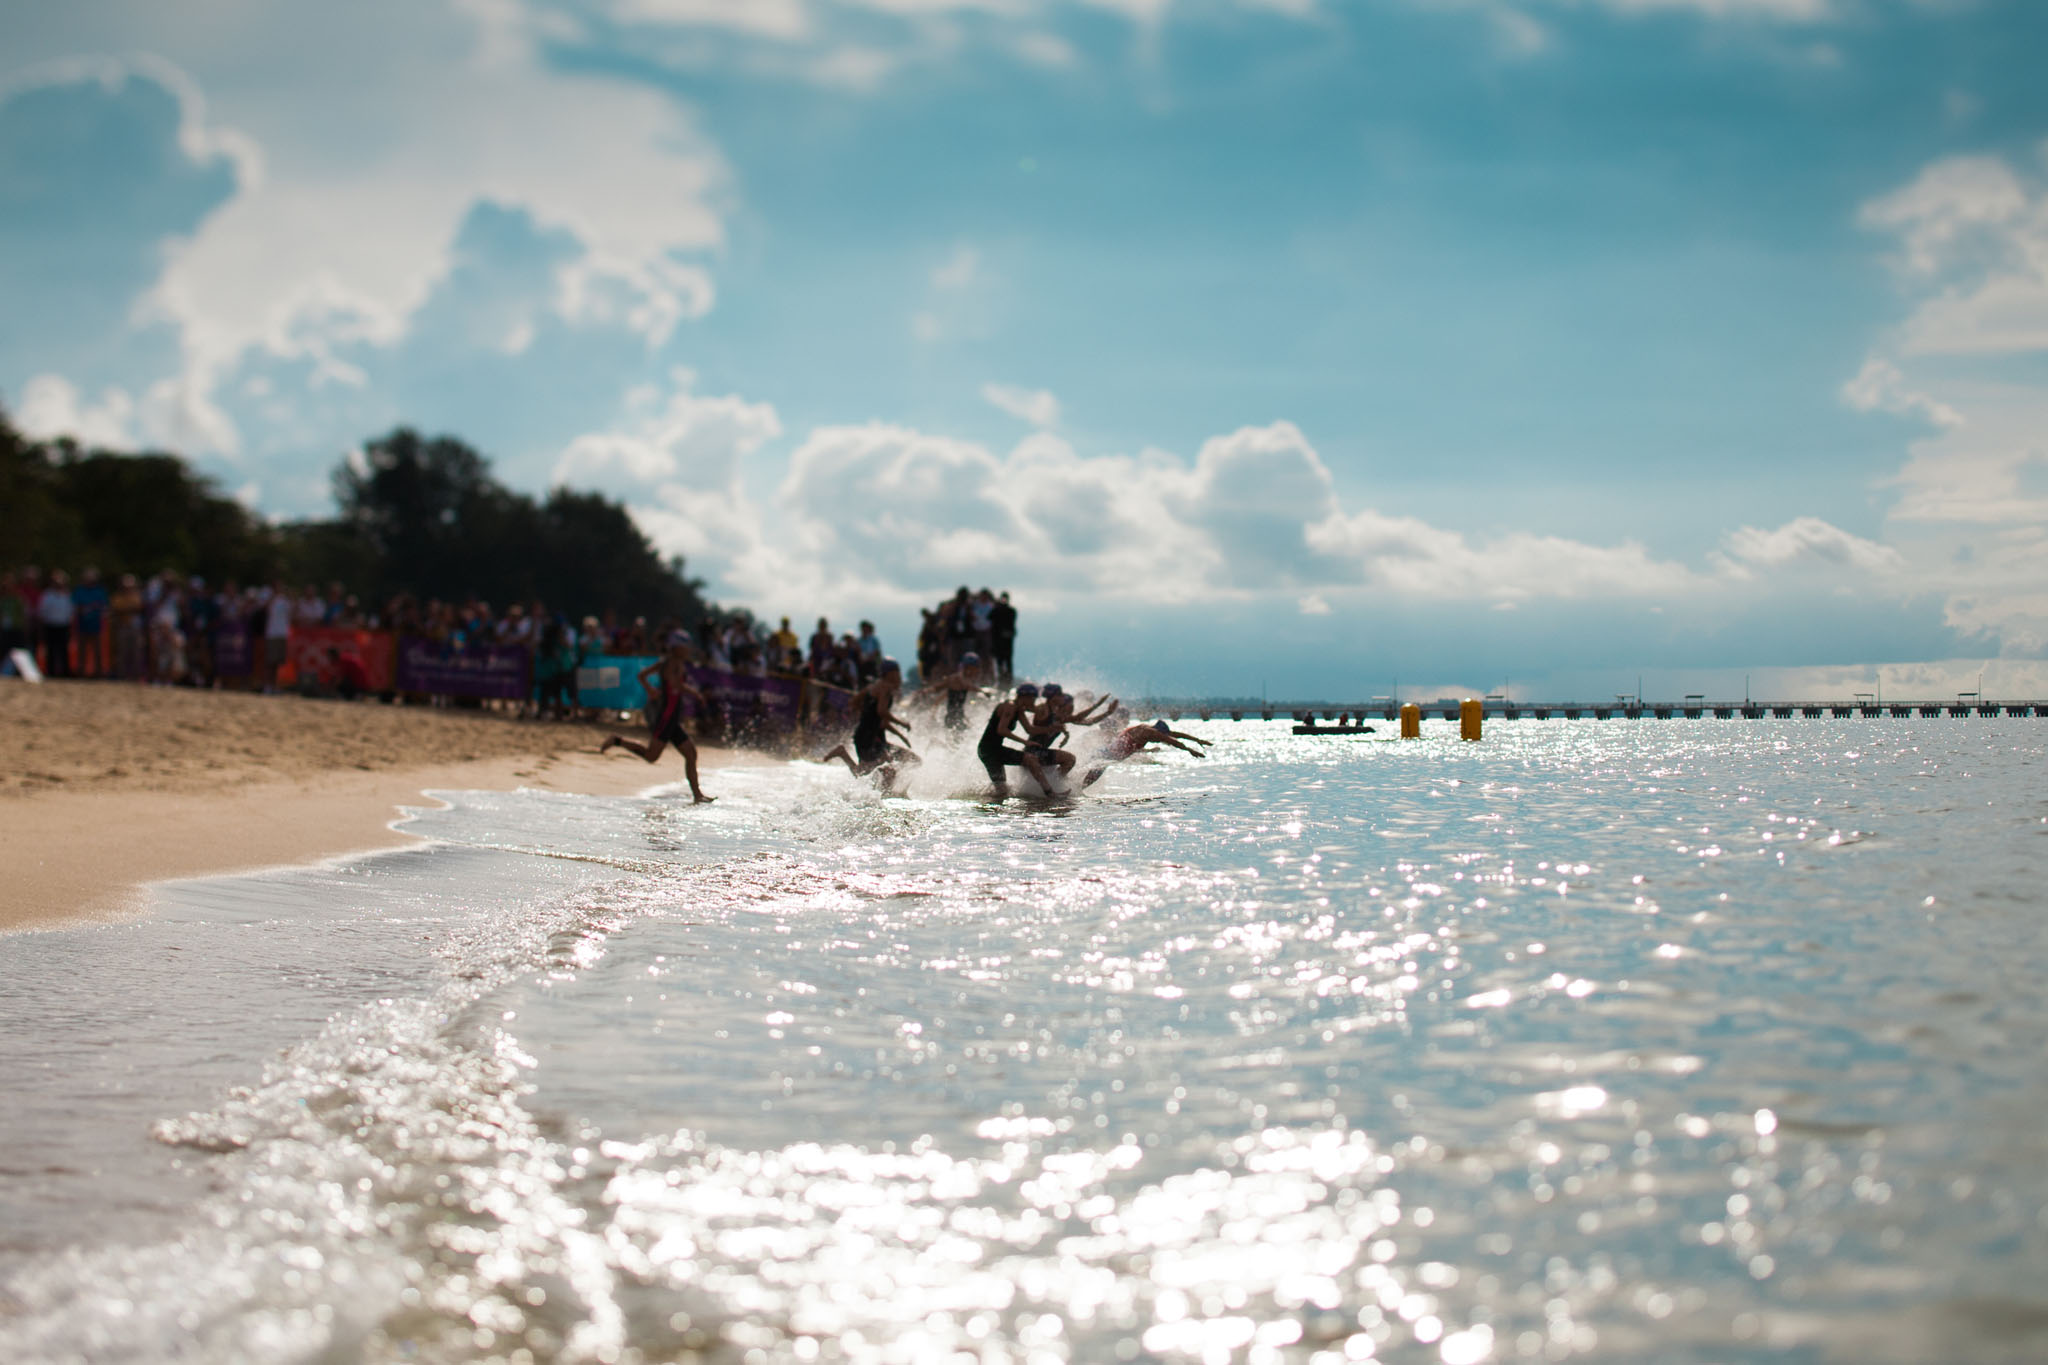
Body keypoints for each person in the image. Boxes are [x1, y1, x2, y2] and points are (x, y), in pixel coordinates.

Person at [599, 644, 714, 802]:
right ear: (676, 649)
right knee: (651, 756)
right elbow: (671, 684)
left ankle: (698, 795)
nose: (688, 649)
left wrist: (652, 689)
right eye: (684, 647)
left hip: (673, 719)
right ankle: (617, 740)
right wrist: (695, 694)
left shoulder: (676, 664)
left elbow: (647, 677)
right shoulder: (668, 664)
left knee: (691, 753)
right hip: (666, 718)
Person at [819, 658, 918, 792]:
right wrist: (902, 723)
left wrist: (901, 736)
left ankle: (894, 793)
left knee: (907, 761)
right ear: (889, 673)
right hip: (868, 737)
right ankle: (889, 794)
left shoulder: (873, 686)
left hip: (871, 735)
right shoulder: (885, 688)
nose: (899, 676)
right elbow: (881, 711)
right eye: (897, 672)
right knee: (874, 773)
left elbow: (855, 702)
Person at [977, 682, 1058, 798]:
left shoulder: (1018, 710)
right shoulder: (1010, 706)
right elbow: (1002, 730)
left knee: (1002, 791)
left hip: (992, 750)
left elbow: (1030, 729)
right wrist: (1025, 742)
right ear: (1026, 697)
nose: (1034, 702)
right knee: (1030, 759)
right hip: (988, 750)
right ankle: (1050, 793)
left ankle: (980, 797)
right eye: (1033, 699)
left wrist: (1051, 728)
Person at [1081, 720, 1208, 787]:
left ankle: (1071, 787)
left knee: (1088, 771)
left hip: (1106, 753)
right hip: (1107, 754)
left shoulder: (1149, 729)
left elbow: (1175, 735)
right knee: (1093, 772)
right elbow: (1171, 740)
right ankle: (1073, 789)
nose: (1159, 739)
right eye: (1160, 736)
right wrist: (1189, 750)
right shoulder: (1149, 732)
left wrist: (1197, 740)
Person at [922, 653, 987, 735]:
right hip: (953, 719)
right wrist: (982, 691)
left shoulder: (959, 680)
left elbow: (942, 695)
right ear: (968, 667)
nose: (977, 671)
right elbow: (964, 685)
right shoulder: (957, 679)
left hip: (958, 717)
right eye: (975, 668)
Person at [37, 569, 75, 678]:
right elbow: (42, 612)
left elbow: (70, 612)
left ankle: (65, 672)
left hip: (64, 626)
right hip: (50, 625)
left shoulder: (67, 595)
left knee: (64, 650)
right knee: (51, 650)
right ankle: (50, 672)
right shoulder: (47, 595)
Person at [72, 568, 108, 678]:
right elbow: (75, 606)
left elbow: (105, 607)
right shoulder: (79, 591)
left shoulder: (100, 591)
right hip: (82, 624)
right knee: (81, 649)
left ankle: (98, 672)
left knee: (97, 649)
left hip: (96, 624)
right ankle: (81, 671)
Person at [989, 591, 1017, 683]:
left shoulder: (1011, 611)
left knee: (1007, 660)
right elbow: (989, 617)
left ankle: (1008, 678)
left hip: (1007, 640)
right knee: (1000, 660)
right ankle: (1002, 677)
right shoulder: (997, 610)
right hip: (998, 639)